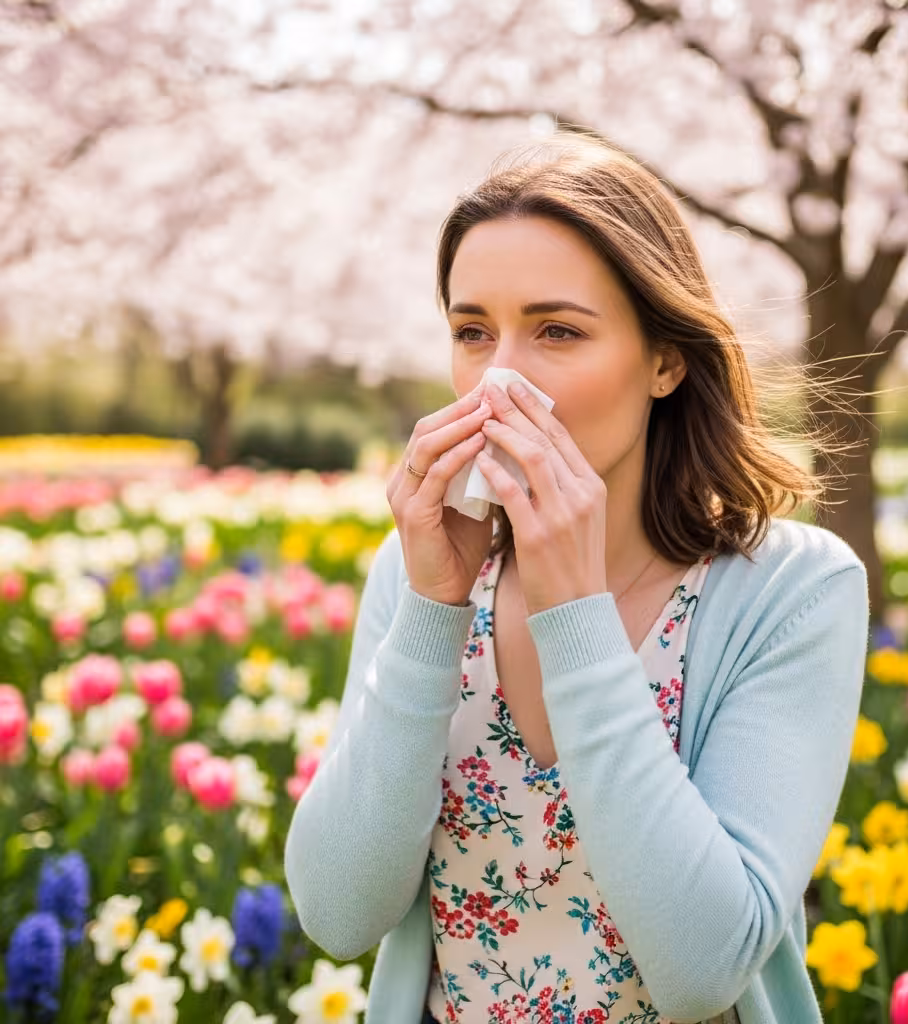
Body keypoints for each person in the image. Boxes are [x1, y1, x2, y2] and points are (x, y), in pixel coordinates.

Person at [284, 133, 870, 1024]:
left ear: (665, 361)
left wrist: (576, 616)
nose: (501, 379)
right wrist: (433, 611)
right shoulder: (419, 573)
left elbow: (703, 968)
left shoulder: (790, 593)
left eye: (557, 330)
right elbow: (337, 914)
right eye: (473, 332)